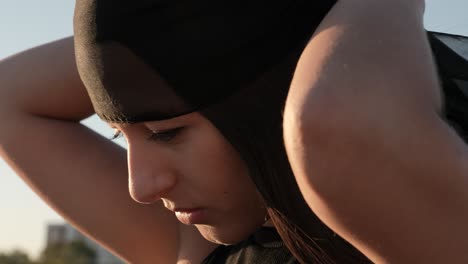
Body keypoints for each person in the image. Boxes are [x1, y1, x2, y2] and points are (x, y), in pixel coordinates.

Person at [1, 0, 467, 263]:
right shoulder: (201, 247)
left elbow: (333, 126)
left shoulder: (433, 226)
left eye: (167, 133)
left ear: (277, 99)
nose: (141, 187)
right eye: (122, 136)